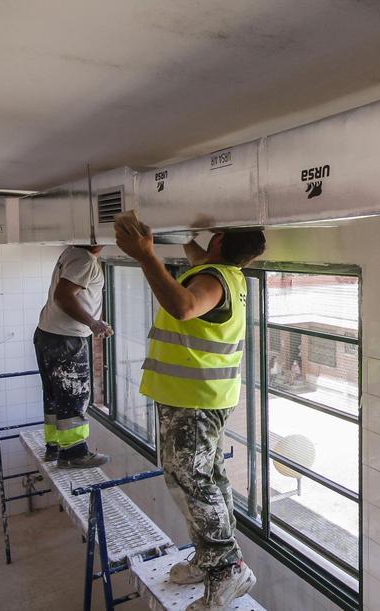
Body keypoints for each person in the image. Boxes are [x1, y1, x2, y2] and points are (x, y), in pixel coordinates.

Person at [114, 212, 265, 610]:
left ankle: (226, 566)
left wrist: (146, 255)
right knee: (204, 478)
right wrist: (182, 237)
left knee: (193, 479)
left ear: (218, 242)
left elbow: (182, 307)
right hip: (202, 395)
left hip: (193, 399)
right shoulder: (227, 274)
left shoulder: (212, 281)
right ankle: (210, 556)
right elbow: (198, 257)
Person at [34, 244, 113, 468]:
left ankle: (55, 447)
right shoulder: (85, 260)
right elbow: (63, 296)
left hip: (47, 334)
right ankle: (74, 452)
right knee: (74, 395)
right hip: (65, 339)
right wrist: (93, 323)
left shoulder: (71, 251)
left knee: (54, 395)